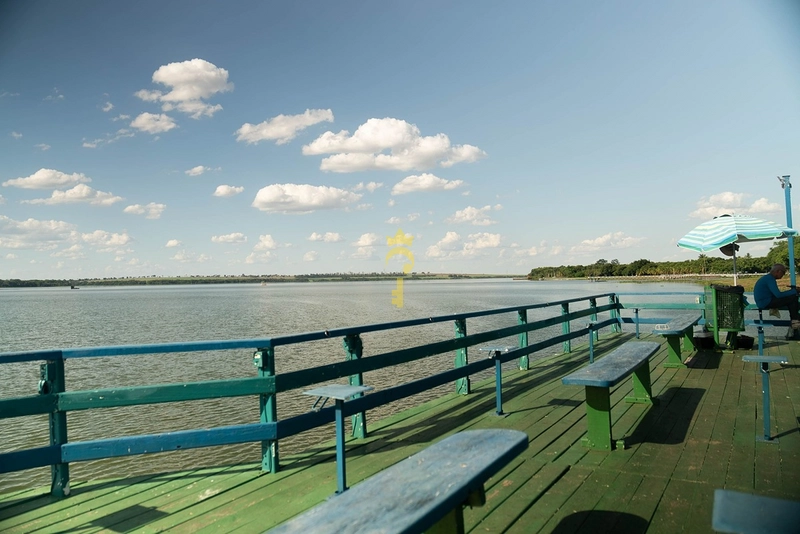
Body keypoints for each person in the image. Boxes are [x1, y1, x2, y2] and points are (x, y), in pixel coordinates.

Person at [753, 263, 800, 329]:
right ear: (778, 271)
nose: (783, 275)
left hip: (763, 302)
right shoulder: (770, 279)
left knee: (791, 298)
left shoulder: (767, 278)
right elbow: (778, 295)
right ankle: (795, 321)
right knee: (793, 298)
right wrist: (794, 291)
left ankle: (795, 320)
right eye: (783, 273)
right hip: (765, 302)